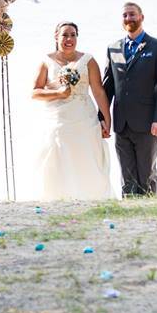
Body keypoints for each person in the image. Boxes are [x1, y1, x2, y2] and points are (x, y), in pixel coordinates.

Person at [34, 22, 116, 201]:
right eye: (65, 35)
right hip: (58, 118)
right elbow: (35, 92)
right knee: (58, 156)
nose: (69, 39)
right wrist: (58, 93)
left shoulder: (88, 60)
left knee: (86, 157)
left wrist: (107, 120)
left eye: (73, 35)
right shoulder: (46, 61)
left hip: (84, 118)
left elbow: (98, 91)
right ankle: (58, 197)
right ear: (56, 37)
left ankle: (90, 197)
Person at [102, 2, 157, 197]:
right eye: (125, 15)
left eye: (132, 15)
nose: (128, 19)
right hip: (121, 122)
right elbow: (107, 87)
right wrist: (103, 117)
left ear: (141, 17)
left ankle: (150, 208)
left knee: (146, 173)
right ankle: (130, 208)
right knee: (127, 174)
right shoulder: (113, 48)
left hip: (147, 122)